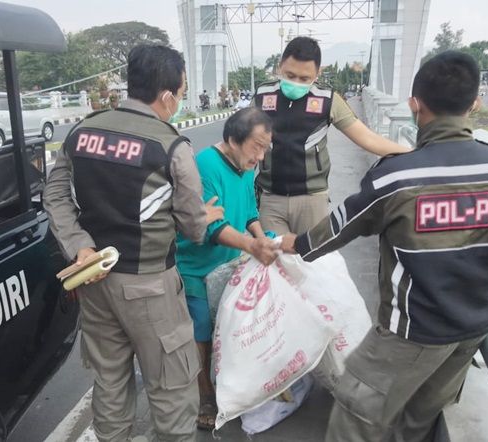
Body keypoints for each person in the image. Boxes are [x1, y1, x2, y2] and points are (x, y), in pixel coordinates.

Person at [280, 51, 488, 442]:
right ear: (474, 103)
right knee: (418, 423)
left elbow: (340, 226)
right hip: (471, 331)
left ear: (414, 104)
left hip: (409, 331)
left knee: (354, 416)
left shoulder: (397, 176)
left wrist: (296, 244)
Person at [43, 45, 224, 442]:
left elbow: (54, 196)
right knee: (172, 386)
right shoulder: (171, 145)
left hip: (93, 279)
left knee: (109, 383)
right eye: (181, 92)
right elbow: (194, 228)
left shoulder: (82, 131)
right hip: (150, 287)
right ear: (167, 96)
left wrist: (80, 247)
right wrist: (204, 217)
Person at [175, 108, 278, 430]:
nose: (259, 157)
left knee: (233, 325)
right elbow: (211, 226)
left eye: (265, 149)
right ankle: (205, 395)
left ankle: (235, 384)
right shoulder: (205, 166)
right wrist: (252, 247)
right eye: (255, 147)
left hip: (228, 260)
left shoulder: (246, 167)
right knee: (202, 330)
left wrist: (264, 241)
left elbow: (249, 212)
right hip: (196, 264)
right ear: (233, 140)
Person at [253, 36, 410, 235]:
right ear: (279, 67)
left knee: (312, 262)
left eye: (304, 79)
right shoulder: (262, 96)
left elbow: (367, 138)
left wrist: (415, 152)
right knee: (273, 262)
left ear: (318, 74)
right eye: (290, 75)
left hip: (312, 199)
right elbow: (241, 140)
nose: (295, 83)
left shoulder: (327, 100)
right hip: (271, 199)